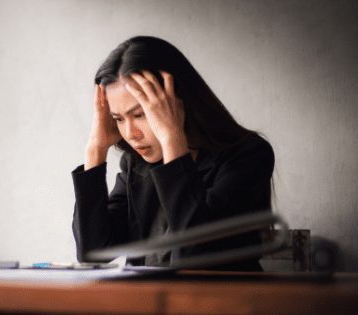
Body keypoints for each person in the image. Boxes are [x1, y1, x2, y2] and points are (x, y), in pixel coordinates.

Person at [71, 36, 274, 271]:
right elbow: (93, 253)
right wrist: (95, 150)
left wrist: (171, 139)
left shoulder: (249, 155)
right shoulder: (135, 165)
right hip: (149, 304)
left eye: (140, 115)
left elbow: (196, 254)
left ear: (179, 101)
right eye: (118, 119)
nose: (130, 133)